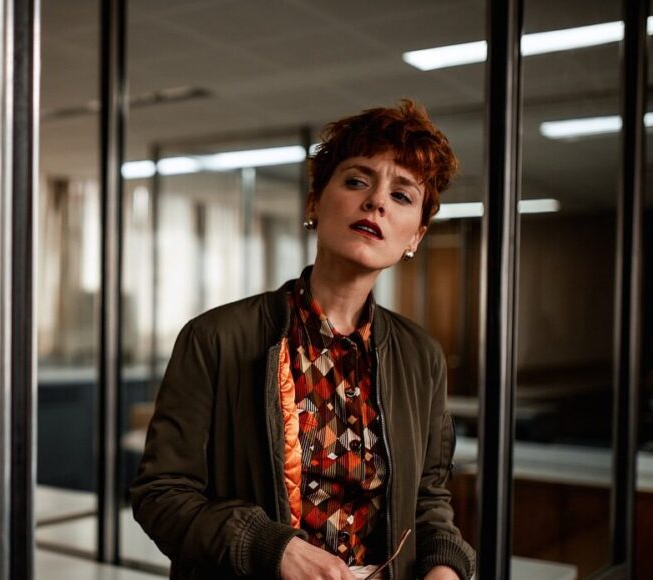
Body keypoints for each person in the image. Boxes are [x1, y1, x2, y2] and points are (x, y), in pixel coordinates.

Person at [130, 99, 476, 580]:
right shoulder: (216, 338)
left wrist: (445, 567)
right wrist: (271, 549)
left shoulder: (421, 357)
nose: (376, 201)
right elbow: (160, 494)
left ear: (415, 236)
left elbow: (429, 501)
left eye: (402, 195)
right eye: (357, 180)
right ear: (315, 202)